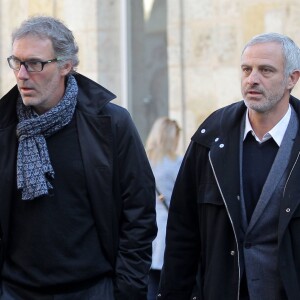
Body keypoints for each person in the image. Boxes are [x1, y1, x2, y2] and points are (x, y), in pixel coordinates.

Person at [0, 15, 157, 300]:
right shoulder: (4, 126)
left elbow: (139, 214)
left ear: (66, 66)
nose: (22, 74)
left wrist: (126, 292)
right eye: (16, 62)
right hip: (14, 291)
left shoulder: (111, 123)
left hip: (93, 290)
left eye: (35, 64)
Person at [157, 32, 300, 300]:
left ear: (292, 78)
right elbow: (183, 231)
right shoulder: (211, 137)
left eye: (266, 70)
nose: (252, 79)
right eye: (247, 69)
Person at [145, 117, 182, 300]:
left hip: (147, 227)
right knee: (170, 282)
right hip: (169, 228)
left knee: (151, 281)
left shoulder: (143, 159)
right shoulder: (176, 162)